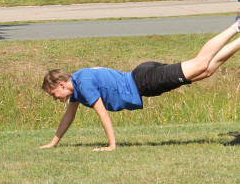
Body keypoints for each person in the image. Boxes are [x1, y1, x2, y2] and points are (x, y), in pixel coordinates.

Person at [40, 22, 240, 151]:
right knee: (205, 71)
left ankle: (236, 26)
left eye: (53, 93)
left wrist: (111, 145)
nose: (55, 98)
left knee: (200, 63)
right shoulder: (77, 85)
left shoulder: (83, 83)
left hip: (146, 80)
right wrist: (53, 142)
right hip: (144, 81)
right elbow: (69, 116)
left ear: (61, 84)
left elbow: (102, 113)